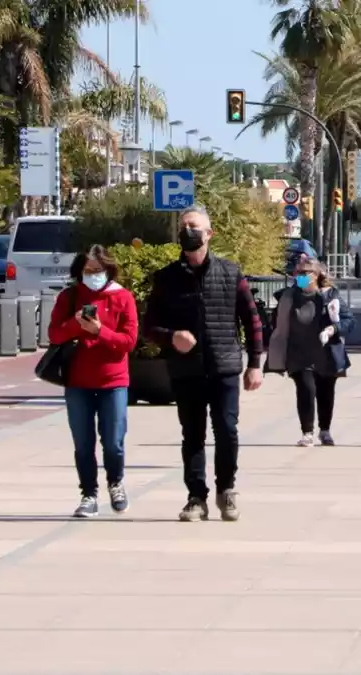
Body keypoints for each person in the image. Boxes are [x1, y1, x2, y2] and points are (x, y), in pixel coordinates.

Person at [143, 205, 265, 523]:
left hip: (224, 366)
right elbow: (149, 327)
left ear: (209, 234)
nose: (188, 231)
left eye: (194, 226)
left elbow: (251, 319)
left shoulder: (230, 273)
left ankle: (227, 490)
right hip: (186, 371)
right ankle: (196, 498)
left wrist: (255, 363)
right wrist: (172, 337)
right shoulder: (166, 278)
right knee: (192, 436)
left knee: (226, 430)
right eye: (184, 226)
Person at [48, 245, 138, 518]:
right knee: (83, 443)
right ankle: (88, 493)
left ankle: (116, 482)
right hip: (78, 382)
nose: (93, 276)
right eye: (87, 271)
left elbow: (128, 342)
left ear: (108, 270)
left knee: (113, 441)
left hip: (113, 381)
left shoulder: (123, 297)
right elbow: (54, 335)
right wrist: (76, 325)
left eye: (98, 271)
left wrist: (100, 331)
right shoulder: (70, 296)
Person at [264, 259, 354, 447]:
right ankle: (307, 432)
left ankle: (325, 430)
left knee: (325, 392)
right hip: (299, 353)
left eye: (306, 273)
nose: (301, 276)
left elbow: (348, 321)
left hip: (326, 353)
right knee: (306, 389)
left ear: (317, 275)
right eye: (298, 272)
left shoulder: (330, 296)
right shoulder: (288, 296)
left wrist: (333, 329)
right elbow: (277, 323)